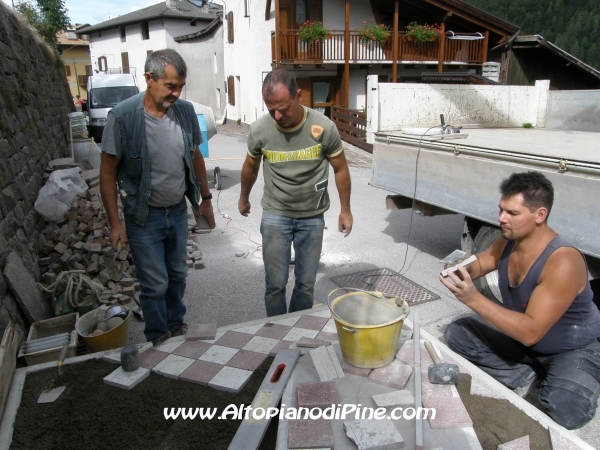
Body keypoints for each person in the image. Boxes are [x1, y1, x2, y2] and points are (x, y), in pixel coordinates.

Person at [441, 171, 600, 430]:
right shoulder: (509, 241)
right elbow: (480, 262)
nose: (501, 219)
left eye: (512, 213)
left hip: (571, 348)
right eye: (501, 210)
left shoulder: (562, 261)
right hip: (527, 344)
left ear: (540, 215)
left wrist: (473, 298)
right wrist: (457, 271)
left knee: (566, 409)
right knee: (458, 333)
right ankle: (526, 375)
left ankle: (577, 374)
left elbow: (531, 332)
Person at [99, 49, 215, 345]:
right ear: (149, 79)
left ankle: (176, 325)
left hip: (176, 211)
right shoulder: (123, 118)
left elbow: (196, 156)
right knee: (155, 284)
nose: (176, 93)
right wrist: (115, 223)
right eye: (170, 86)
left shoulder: (186, 112)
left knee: (177, 276)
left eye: (180, 86)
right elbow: (108, 173)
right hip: (143, 216)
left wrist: (205, 199)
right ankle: (158, 337)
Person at [238, 68, 353, 317]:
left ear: (298, 95)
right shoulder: (259, 130)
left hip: (312, 218)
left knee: (305, 285)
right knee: (275, 285)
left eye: (283, 108)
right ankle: (277, 330)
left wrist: (345, 210)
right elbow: (250, 166)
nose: (277, 116)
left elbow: (340, 168)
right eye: (271, 110)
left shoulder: (323, 127)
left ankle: (295, 332)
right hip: (275, 216)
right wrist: (243, 198)